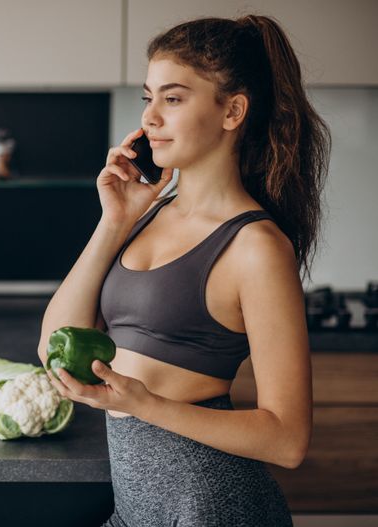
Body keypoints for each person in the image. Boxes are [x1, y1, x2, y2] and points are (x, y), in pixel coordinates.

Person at [37, 14, 331, 527]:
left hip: (212, 509)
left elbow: (287, 441)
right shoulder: (147, 213)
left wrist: (146, 404)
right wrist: (114, 222)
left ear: (232, 111)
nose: (151, 118)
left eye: (172, 99)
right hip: (139, 511)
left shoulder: (256, 247)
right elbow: (51, 348)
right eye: (148, 98)